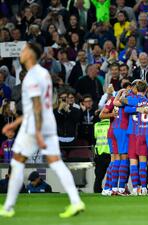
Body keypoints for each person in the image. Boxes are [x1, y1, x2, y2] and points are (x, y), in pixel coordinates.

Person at [0, 43, 85, 218]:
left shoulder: (31, 76)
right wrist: (14, 124)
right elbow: (39, 107)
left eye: (24, 50)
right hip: (48, 122)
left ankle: (8, 207)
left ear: (31, 54)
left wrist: (37, 133)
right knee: (56, 162)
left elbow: (36, 107)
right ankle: (76, 201)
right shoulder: (44, 74)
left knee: (16, 162)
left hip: (35, 125)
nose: (21, 53)